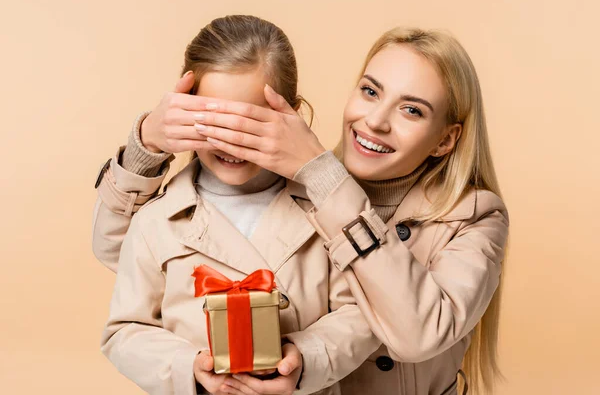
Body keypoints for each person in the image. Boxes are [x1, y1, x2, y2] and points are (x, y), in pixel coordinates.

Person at [95, 26, 509, 394]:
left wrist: (325, 178)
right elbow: (125, 255)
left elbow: (409, 332)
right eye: (370, 91)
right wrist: (146, 144)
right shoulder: (294, 186)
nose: (375, 122)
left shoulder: (471, 215)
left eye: (412, 109)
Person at [95, 15, 379, 395]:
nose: (228, 143)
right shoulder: (155, 219)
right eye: (211, 120)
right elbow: (126, 330)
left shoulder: (326, 208)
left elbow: (360, 312)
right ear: (183, 109)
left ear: (290, 114)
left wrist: (304, 356)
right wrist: (189, 369)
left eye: (248, 123)